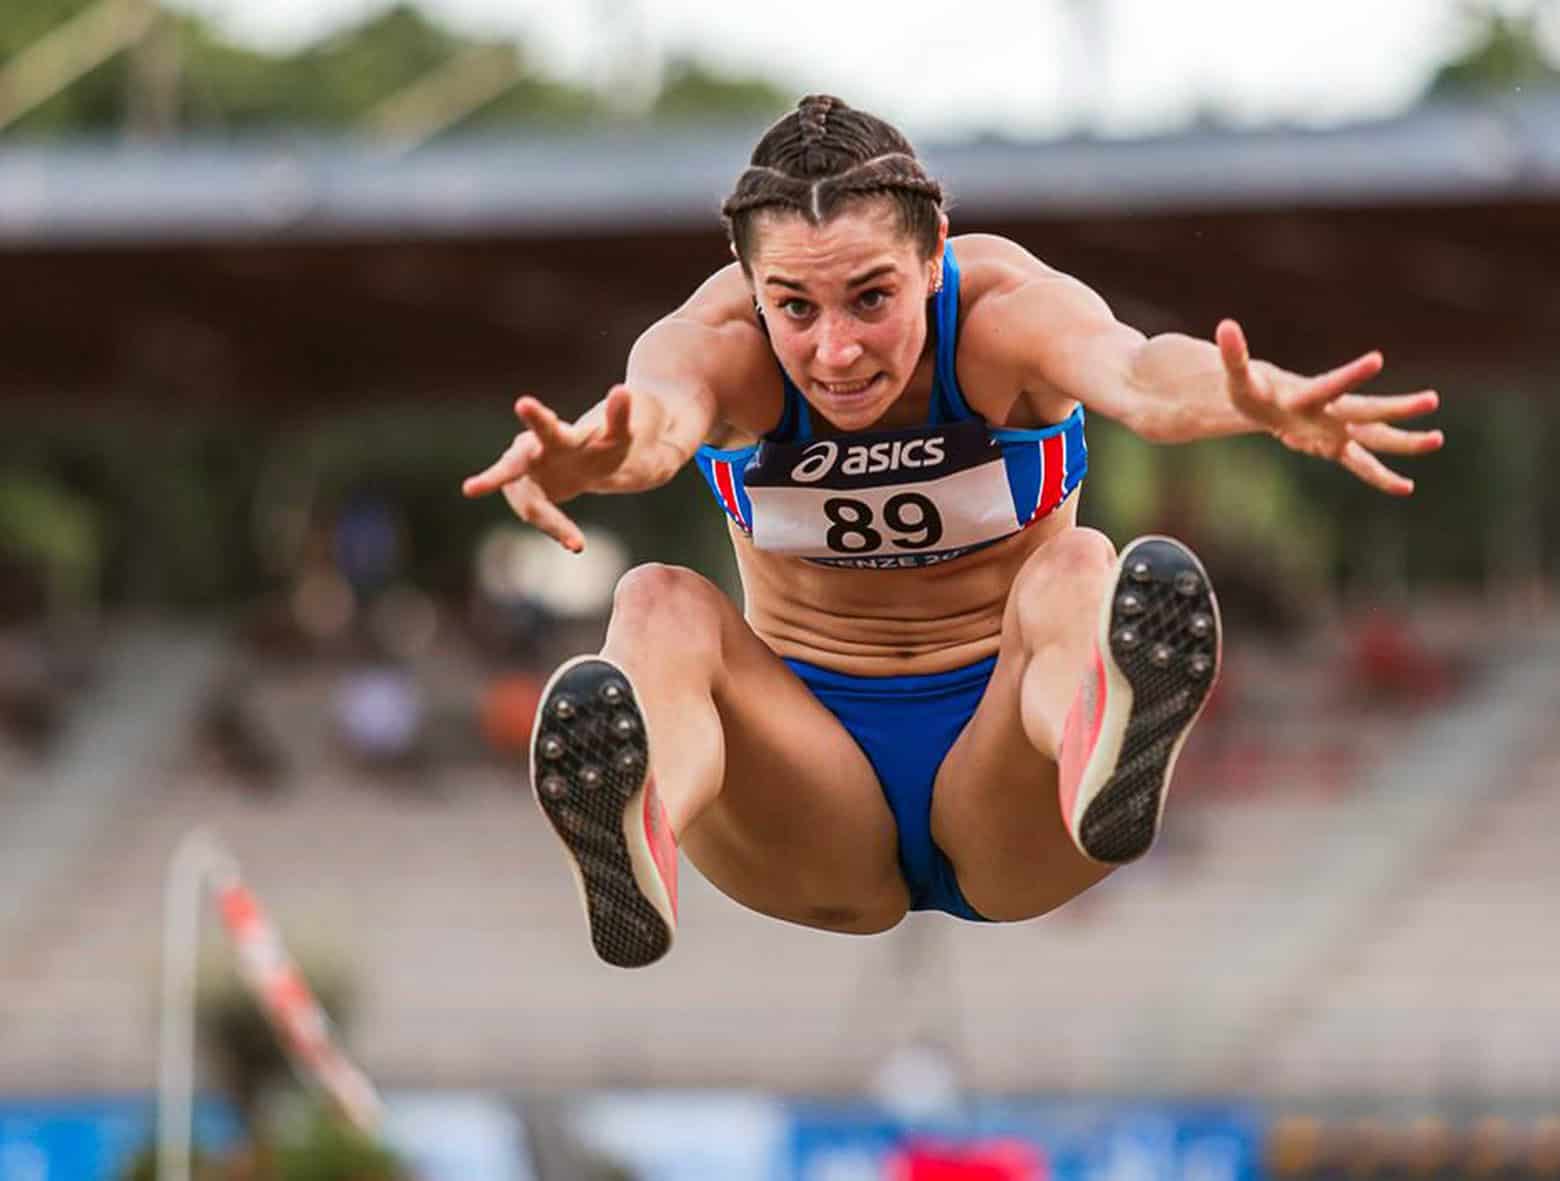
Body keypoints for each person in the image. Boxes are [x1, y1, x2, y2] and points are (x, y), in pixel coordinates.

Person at [462, 94, 1442, 968]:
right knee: (655, 599)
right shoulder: (716, 346)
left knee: (1078, 564)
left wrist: (1248, 395)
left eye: (872, 299)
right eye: (793, 307)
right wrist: (587, 461)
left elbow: (1139, 375)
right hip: (806, 796)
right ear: (748, 281)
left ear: (934, 253)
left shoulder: (1003, 317)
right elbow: (654, 427)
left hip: (1006, 779)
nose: (836, 351)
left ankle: (1101, 749)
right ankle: (636, 825)